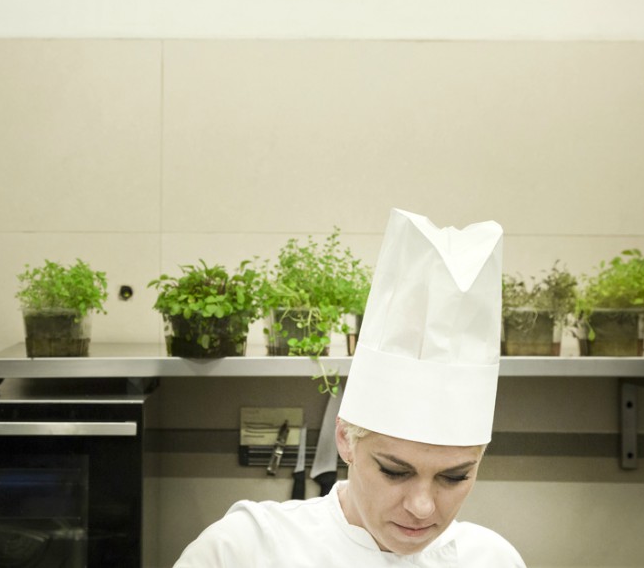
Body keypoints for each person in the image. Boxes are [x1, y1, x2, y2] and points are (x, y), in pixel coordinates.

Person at [173, 209, 527, 567]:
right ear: (345, 438)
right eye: (394, 471)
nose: (422, 507)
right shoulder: (243, 550)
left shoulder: (492, 559)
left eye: (454, 477)